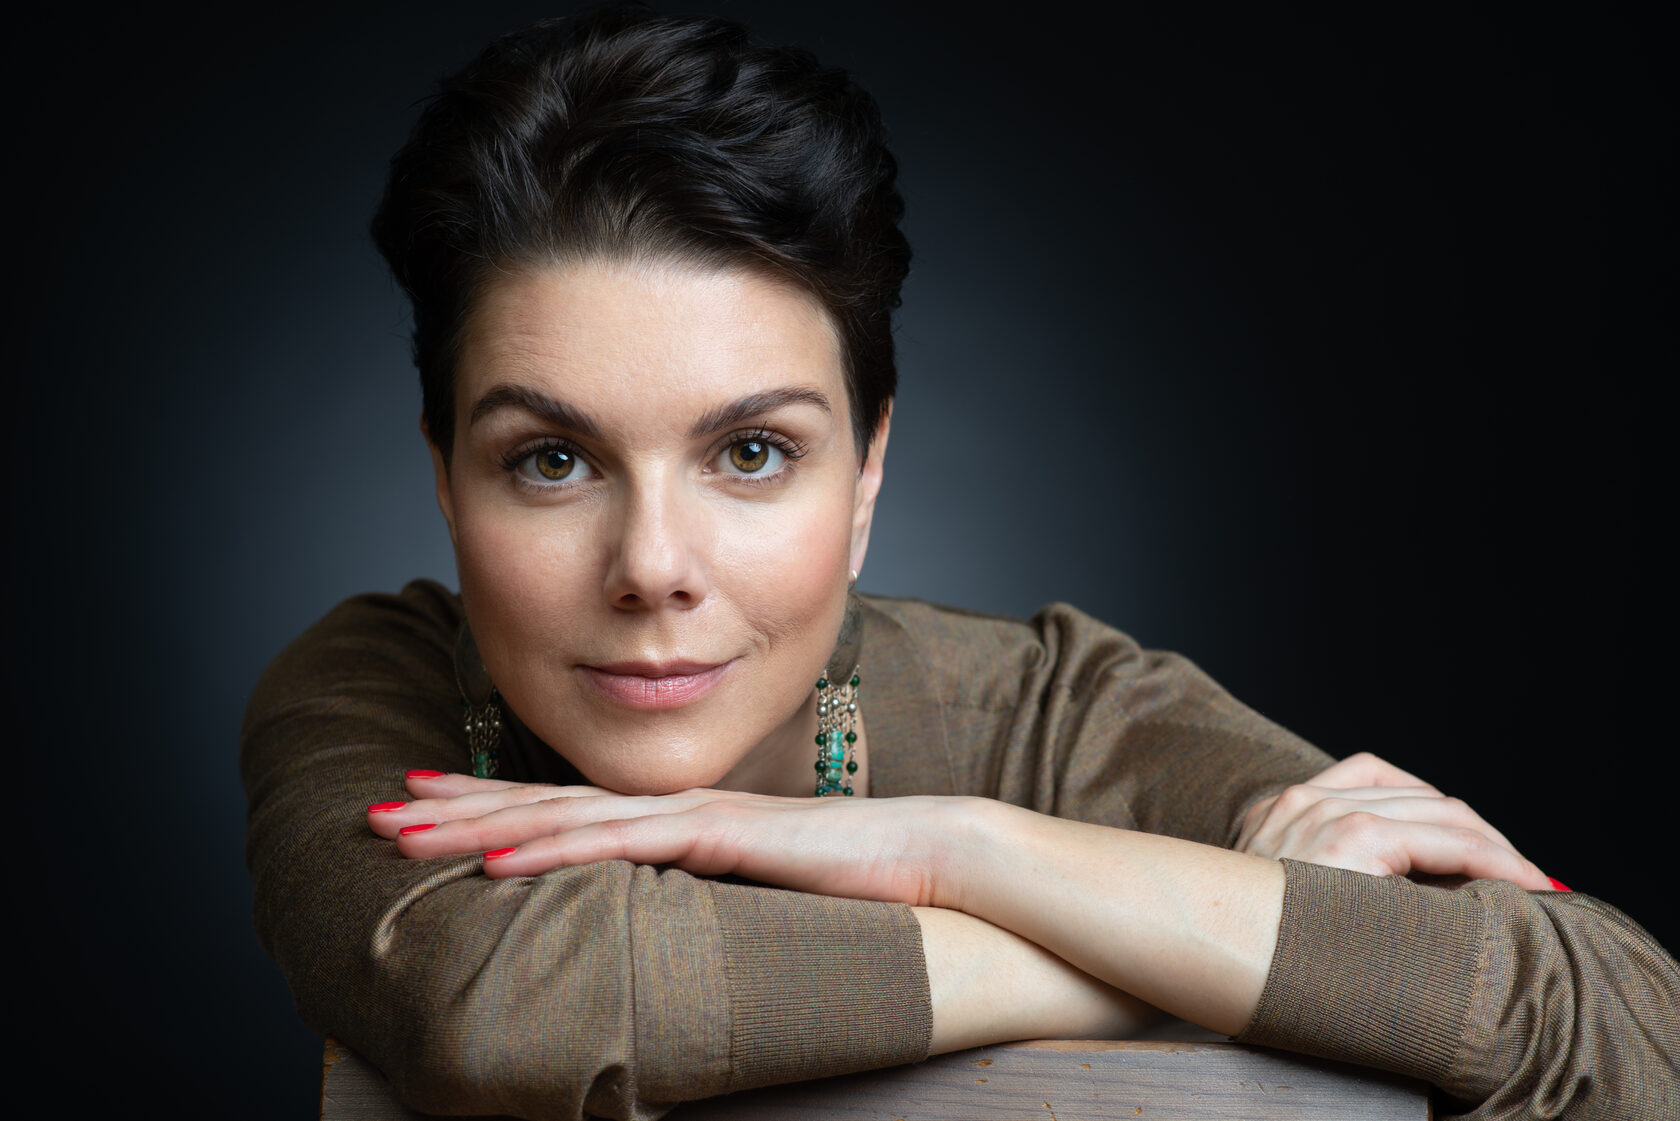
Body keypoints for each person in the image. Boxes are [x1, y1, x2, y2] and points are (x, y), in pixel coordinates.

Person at [241, 5, 1678, 1119]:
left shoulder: (1055, 710)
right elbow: (498, 1004)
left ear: (866, 471)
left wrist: (958, 847)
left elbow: (1623, 1032)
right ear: (446, 479)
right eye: (552, 460)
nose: (653, 566)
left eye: (753, 451)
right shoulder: (373, 685)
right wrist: (1149, 946)